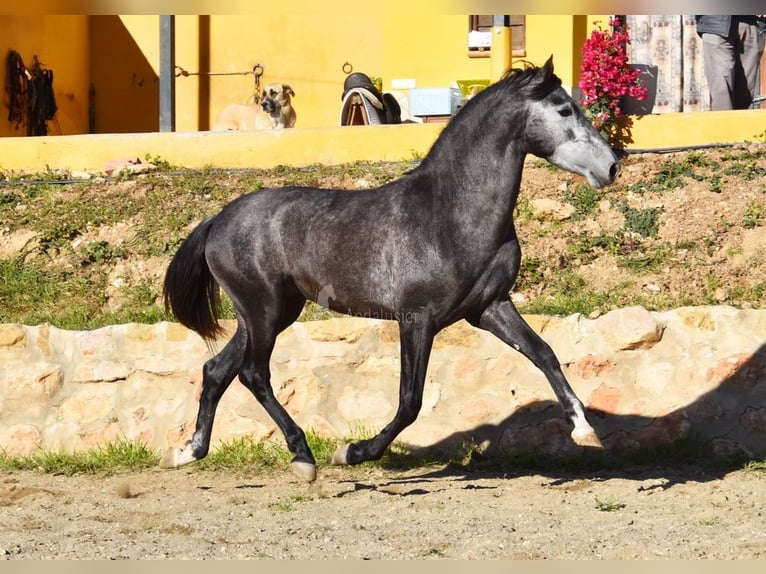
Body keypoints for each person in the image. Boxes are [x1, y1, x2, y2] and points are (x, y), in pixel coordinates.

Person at [695, 15, 766, 110]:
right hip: (716, 22)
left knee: (745, 95)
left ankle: (740, 124)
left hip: (754, 23)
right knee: (722, 93)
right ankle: (724, 125)